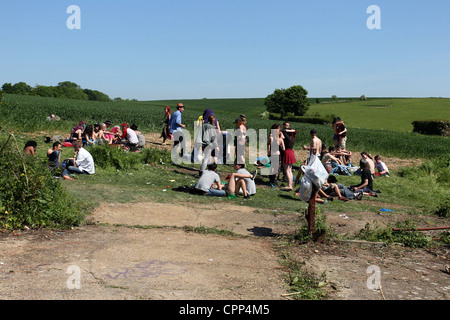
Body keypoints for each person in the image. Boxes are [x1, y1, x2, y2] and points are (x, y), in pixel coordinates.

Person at [280, 122, 297, 191]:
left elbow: (284, 131)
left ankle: (289, 185)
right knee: (289, 170)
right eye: (286, 125)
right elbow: (295, 131)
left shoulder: (284, 132)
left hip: (287, 151)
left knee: (287, 170)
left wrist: (286, 130)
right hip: (291, 151)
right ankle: (290, 184)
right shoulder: (292, 135)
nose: (287, 127)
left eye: (288, 125)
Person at [267, 123, 285, 187]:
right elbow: (283, 148)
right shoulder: (280, 139)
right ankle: (274, 181)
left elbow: (268, 143)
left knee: (272, 167)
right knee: (277, 169)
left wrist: (269, 150)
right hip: (277, 154)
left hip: (272, 154)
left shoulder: (270, 138)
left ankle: (271, 180)